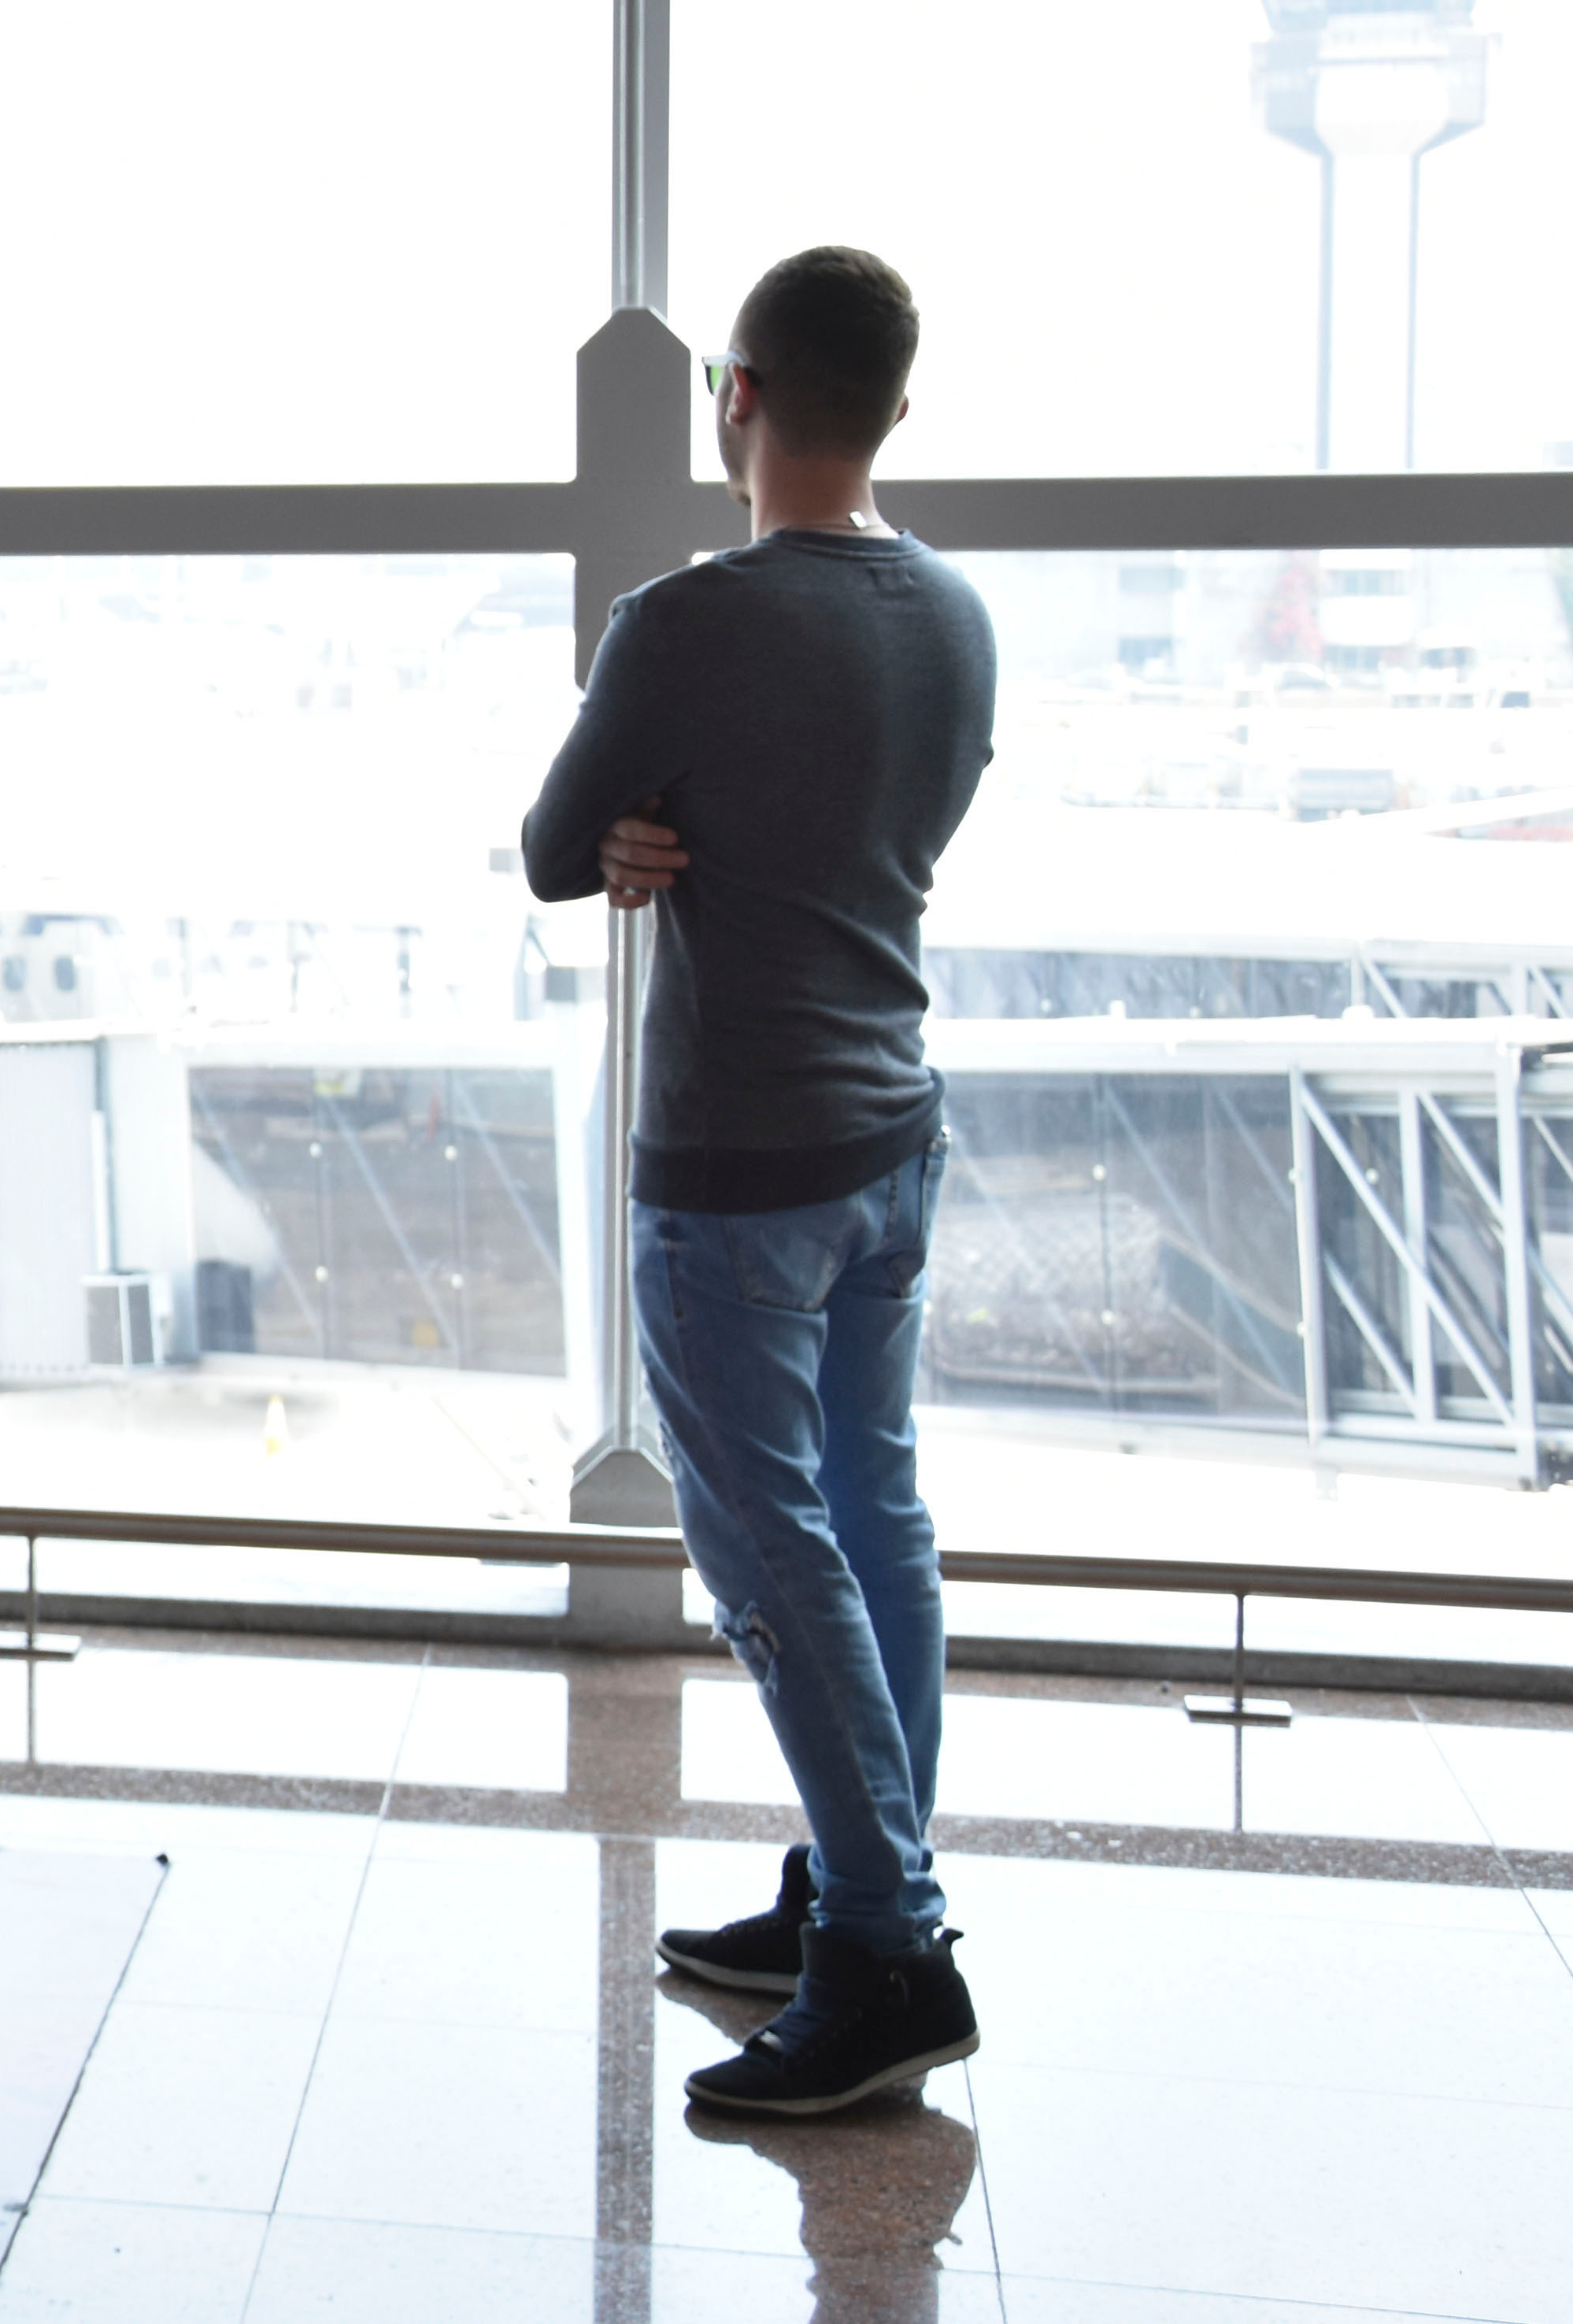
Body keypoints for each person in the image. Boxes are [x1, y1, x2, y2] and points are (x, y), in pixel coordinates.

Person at [520, 245, 996, 2118]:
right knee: (876, 1519)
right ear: (893, 406)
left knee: (773, 1547)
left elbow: (555, 843)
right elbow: (858, 821)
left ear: (738, 392)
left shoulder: (682, 621)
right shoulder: (952, 610)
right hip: (891, 1130)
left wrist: (646, 830)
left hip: (739, 1159)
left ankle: (887, 1943)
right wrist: (677, 826)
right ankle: (847, 1890)